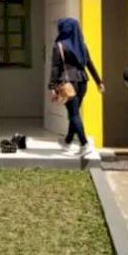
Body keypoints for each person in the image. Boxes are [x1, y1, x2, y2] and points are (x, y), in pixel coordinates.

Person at [49, 17, 104, 155]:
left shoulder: (59, 45)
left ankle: (84, 144)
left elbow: (55, 68)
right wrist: (99, 82)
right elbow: (89, 64)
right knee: (74, 114)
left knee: (73, 114)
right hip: (83, 82)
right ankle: (67, 141)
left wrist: (52, 87)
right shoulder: (82, 45)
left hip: (68, 84)